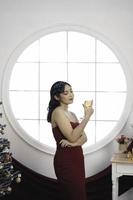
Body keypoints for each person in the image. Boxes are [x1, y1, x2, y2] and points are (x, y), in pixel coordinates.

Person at [47, 81, 94, 200]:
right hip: (65, 160)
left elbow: (84, 138)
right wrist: (87, 117)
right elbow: (73, 136)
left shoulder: (72, 114)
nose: (70, 94)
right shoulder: (57, 112)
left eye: (71, 91)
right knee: (72, 195)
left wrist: (73, 144)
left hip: (77, 158)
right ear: (57, 97)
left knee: (79, 194)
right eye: (66, 92)